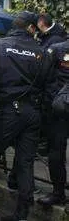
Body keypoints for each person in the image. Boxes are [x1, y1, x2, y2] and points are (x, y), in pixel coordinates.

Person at [0, 11, 56, 220]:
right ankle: (21, 214)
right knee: (25, 164)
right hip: (32, 113)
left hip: (6, 112)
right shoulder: (43, 53)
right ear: (30, 28)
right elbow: (50, 86)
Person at [36, 35, 69, 207]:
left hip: (58, 107)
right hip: (59, 109)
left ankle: (58, 192)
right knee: (56, 153)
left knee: (56, 153)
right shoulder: (57, 49)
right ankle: (58, 192)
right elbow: (44, 77)